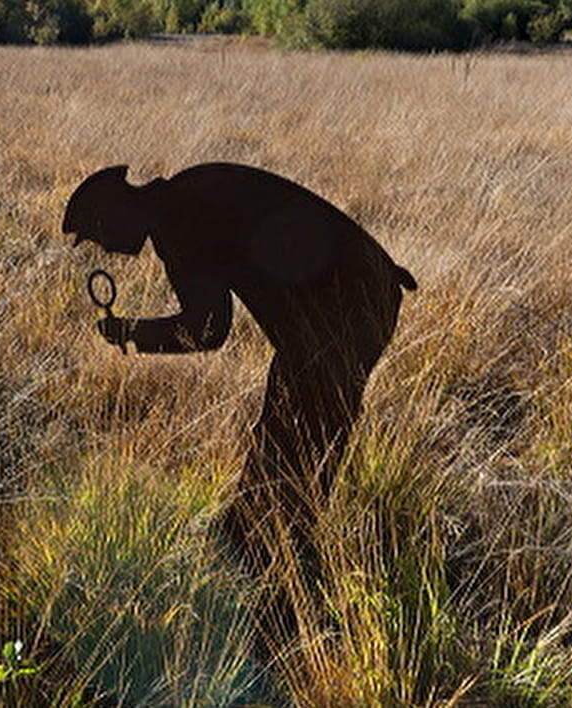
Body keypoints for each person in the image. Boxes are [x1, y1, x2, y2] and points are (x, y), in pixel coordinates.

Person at [62, 162, 416, 652]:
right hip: (354, 297)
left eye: (97, 237)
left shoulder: (179, 219)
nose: (103, 250)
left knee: (294, 462)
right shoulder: (185, 196)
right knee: (288, 451)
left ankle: (282, 616)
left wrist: (133, 334)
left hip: (343, 309)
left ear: (113, 214)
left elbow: (208, 329)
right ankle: (259, 576)